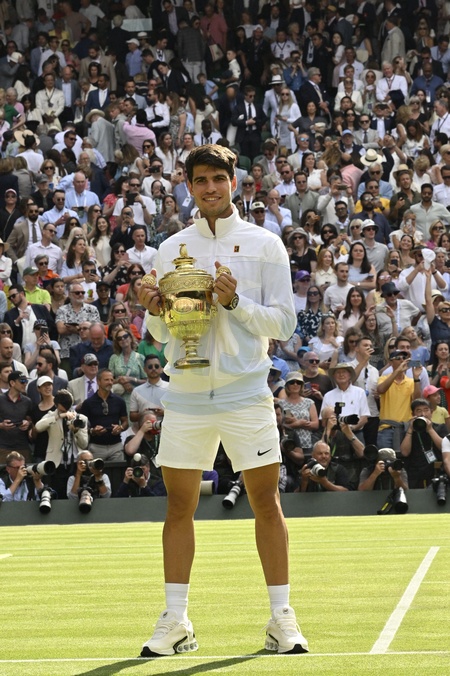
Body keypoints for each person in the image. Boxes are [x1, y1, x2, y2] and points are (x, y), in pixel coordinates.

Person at [137, 144, 308, 656]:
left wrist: (234, 302)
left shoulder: (266, 244)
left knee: (266, 502)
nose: (210, 188)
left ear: (234, 182)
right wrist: (152, 311)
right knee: (179, 506)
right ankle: (176, 621)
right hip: (186, 394)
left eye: (218, 178)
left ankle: (282, 619)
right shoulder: (170, 249)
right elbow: (163, 334)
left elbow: (284, 324)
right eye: (200, 180)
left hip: (245, 391)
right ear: (189, 186)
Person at [78, 368, 128, 461]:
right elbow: (82, 427)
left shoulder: (119, 401)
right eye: (106, 380)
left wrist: (120, 428)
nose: (110, 382)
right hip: (96, 447)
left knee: (118, 470)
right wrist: (93, 431)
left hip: (116, 446)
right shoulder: (88, 403)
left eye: (112, 380)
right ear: (98, 381)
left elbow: (125, 421)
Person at [400, 398, 446, 489]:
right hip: (414, 473)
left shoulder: (440, 428)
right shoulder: (408, 430)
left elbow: (444, 448)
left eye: (426, 410)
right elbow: (405, 452)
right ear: (413, 414)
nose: (423, 414)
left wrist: (430, 429)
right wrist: (410, 429)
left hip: (436, 472)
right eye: (419, 411)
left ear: (431, 412)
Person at [0, 371, 33, 463]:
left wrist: (28, 423)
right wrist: (1, 425)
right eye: (22, 381)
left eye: (26, 381)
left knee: (24, 470)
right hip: (3, 446)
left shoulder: (27, 401)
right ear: (12, 383)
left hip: (22, 446)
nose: (25, 384)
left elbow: (32, 420)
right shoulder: (1, 400)